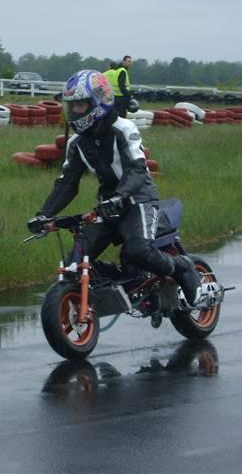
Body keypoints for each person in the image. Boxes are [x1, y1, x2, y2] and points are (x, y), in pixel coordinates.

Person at [27, 69, 202, 305]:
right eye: (72, 106)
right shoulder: (76, 143)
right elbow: (67, 183)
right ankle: (118, 285)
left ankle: (182, 268)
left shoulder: (124, 128)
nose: (75, 111)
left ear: (99, 100)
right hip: (107, 204)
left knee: (137, 251)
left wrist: (121, 196)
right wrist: (44, 214)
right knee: (75, 261)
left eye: (81, 104)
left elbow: (137, 169)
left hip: (139, 198)